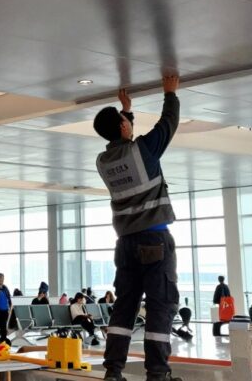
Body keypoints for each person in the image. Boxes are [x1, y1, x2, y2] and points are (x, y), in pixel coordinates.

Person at [94, 76, 182, 381]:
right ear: (122, 127)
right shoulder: (143, 151)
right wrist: (170, 93)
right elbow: (168, 123)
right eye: (124, 121)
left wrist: (126, 110)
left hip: (125, 245)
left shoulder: (103, 161)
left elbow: (123, 143)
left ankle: (113, 371)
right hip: (155, 241)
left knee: (125, 307)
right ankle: (157, 374)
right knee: (161, 305)